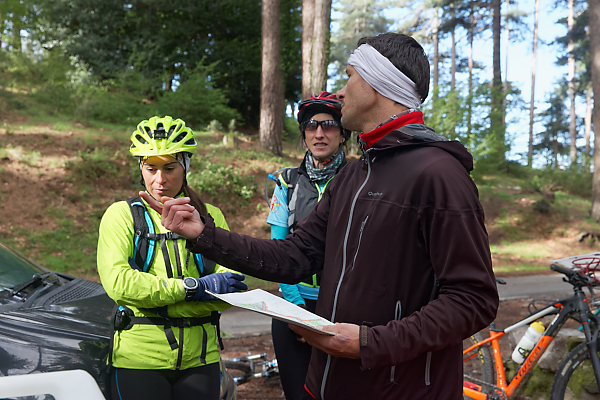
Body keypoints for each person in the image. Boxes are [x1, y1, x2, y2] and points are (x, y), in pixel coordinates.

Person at [142, 33, 499, 400]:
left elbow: (473, 299)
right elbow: (295, 255)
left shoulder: (438, 174)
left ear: (378, 83)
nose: (341, 92)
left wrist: (369, 343)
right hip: (326, 384)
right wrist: (204, 234)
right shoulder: (353, 175)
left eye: (350, 76)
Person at [97, 116, 247, 400]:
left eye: (169, 168)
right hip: (138, 360)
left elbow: (232, 287)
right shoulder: (120, 215)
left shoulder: (211, 216)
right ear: (140, 167)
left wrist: (158, 298)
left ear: (185, 166)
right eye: (150, 169)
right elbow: (120, 284)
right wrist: (193, 289)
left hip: (201, 359)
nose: (160, 179)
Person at [267, 91, 349, 400]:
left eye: (329, 125)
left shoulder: (360, 179)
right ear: (303, 134)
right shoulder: (286, 183)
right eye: (311, 126)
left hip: (344, 307)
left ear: (343, 134)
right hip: (294, 304)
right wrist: (298, 312)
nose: (319, 133)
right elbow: (278, 250)